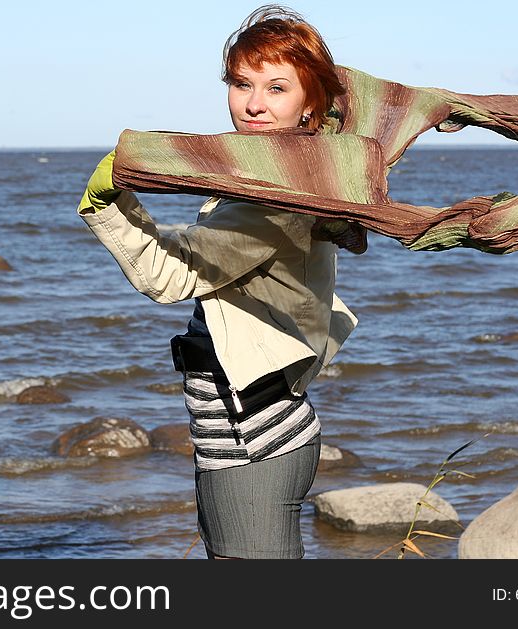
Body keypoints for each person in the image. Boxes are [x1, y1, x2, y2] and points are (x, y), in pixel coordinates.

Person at [76, 4, 364, 559]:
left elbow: (170, 273)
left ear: (310, 104)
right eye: (241, 83)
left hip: (254, 443)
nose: (254, 104)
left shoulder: (279, 199)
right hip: (240, 438)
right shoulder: (273, 176)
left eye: (277, 87)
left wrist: (107, 203)